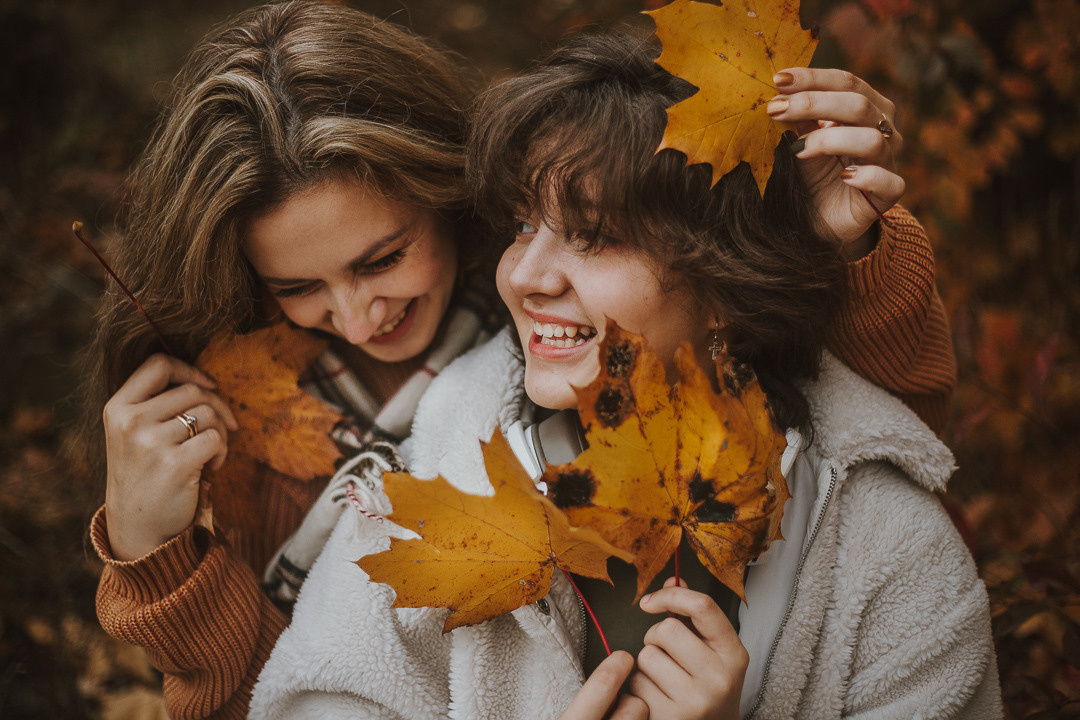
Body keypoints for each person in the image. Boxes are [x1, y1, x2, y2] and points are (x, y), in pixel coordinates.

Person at [85, 3, 956, 719]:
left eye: (381, 259)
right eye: (295, 286)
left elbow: (875, 413)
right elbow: (286, 700)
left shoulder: (564, 307)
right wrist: (159, 557)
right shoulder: (246, 428)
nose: (356, 318)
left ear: (450, 192)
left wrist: (844, 247)